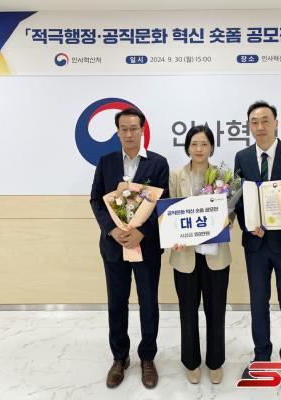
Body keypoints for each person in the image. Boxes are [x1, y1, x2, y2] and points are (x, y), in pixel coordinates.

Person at [234, 101, 281, 396]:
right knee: (258, 302)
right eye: (254, 122)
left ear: (277, 123)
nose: (260, 126)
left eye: (265, 120)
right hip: (255, 244)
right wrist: (248, 224)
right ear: (249, 126)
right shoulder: (242, 157)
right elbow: (238, 200)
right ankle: (262, 358)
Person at [90, 107, 169, 390]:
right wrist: (112, 230)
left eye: (134, 128)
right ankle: (119, 358)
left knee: (148, 303)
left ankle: (147, 358)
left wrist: (141, 232)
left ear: (142, 130)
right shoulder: (106, 162)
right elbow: (96, 200)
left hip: (145, 247)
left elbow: (162, 205)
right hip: (114, 247)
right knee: (117, 303)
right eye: (123, 129)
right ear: (117, 132)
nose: (129, 134)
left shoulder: (158, 163)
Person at [169, 125, 231, 385]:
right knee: (187, 312)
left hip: (216, 257)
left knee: (216, 312)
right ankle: (191, 362)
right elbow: (169, 213)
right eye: (194, 144)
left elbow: (231, 212)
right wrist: (173, 236)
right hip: (185, 257)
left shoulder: (224, 176)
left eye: (204, 144)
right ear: (187, 147)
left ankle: (215, 362)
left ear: (212, 147)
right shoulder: (176, 175)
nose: (199, 149)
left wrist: (225, 220)